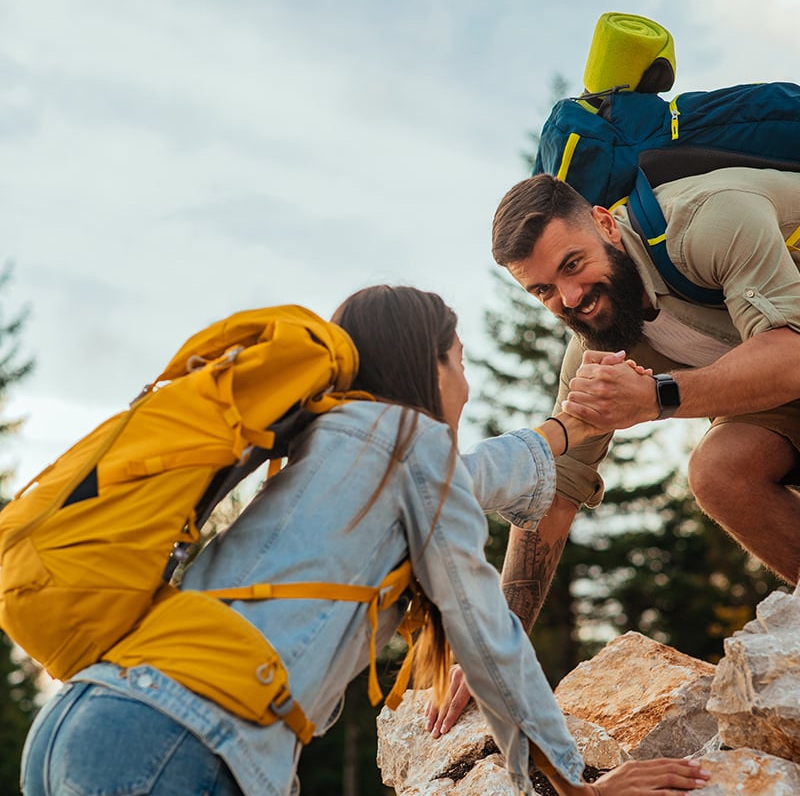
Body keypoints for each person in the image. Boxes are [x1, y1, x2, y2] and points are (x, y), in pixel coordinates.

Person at [20, 285, 708, 796]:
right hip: (176, 742)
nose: (466, 385)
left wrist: (567, 428)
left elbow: (465, 484)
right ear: (428, 366)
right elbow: (486, 631)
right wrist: (573, 785)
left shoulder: (336, 448)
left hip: (84, 723)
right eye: (460, 362)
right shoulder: (409, 450)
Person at [427, 166, 800, 736]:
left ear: (606, 224)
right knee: (720, 471)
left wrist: (655, 397)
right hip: (776, 387)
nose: (570, 298)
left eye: (573, 265)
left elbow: (791, 358)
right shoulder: (593, 346)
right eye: (543, 290)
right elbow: (554, 488)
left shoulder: (710, 218)